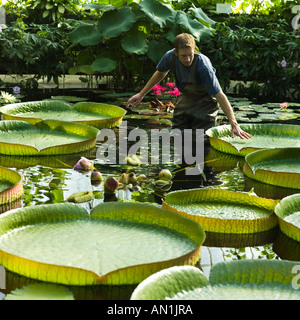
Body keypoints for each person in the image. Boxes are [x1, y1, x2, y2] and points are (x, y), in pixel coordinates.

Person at [126, 33, 252, 140]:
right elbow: (160, 73)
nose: (187, 59)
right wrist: (141, 94)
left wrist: (234, 123)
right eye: (183, 56)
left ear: (194, 50)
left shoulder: (203, 67)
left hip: (205, 104)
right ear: (176, 52)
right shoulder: (170, 56)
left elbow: (220, 95)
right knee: (178, 137)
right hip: (185, 99)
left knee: (202, 142)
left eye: (190, 55)